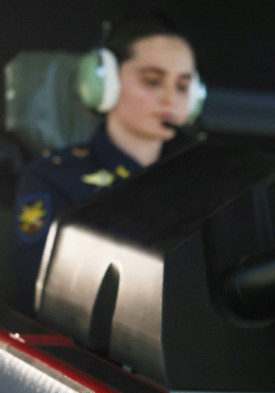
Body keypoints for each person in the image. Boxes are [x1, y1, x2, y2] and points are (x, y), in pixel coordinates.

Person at [11, 11, 201, 315]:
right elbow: (40, 288)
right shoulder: (53, 177)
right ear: (103, 83)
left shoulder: (204, 182)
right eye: (153, 81)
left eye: (182, 86)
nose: (170, 98)